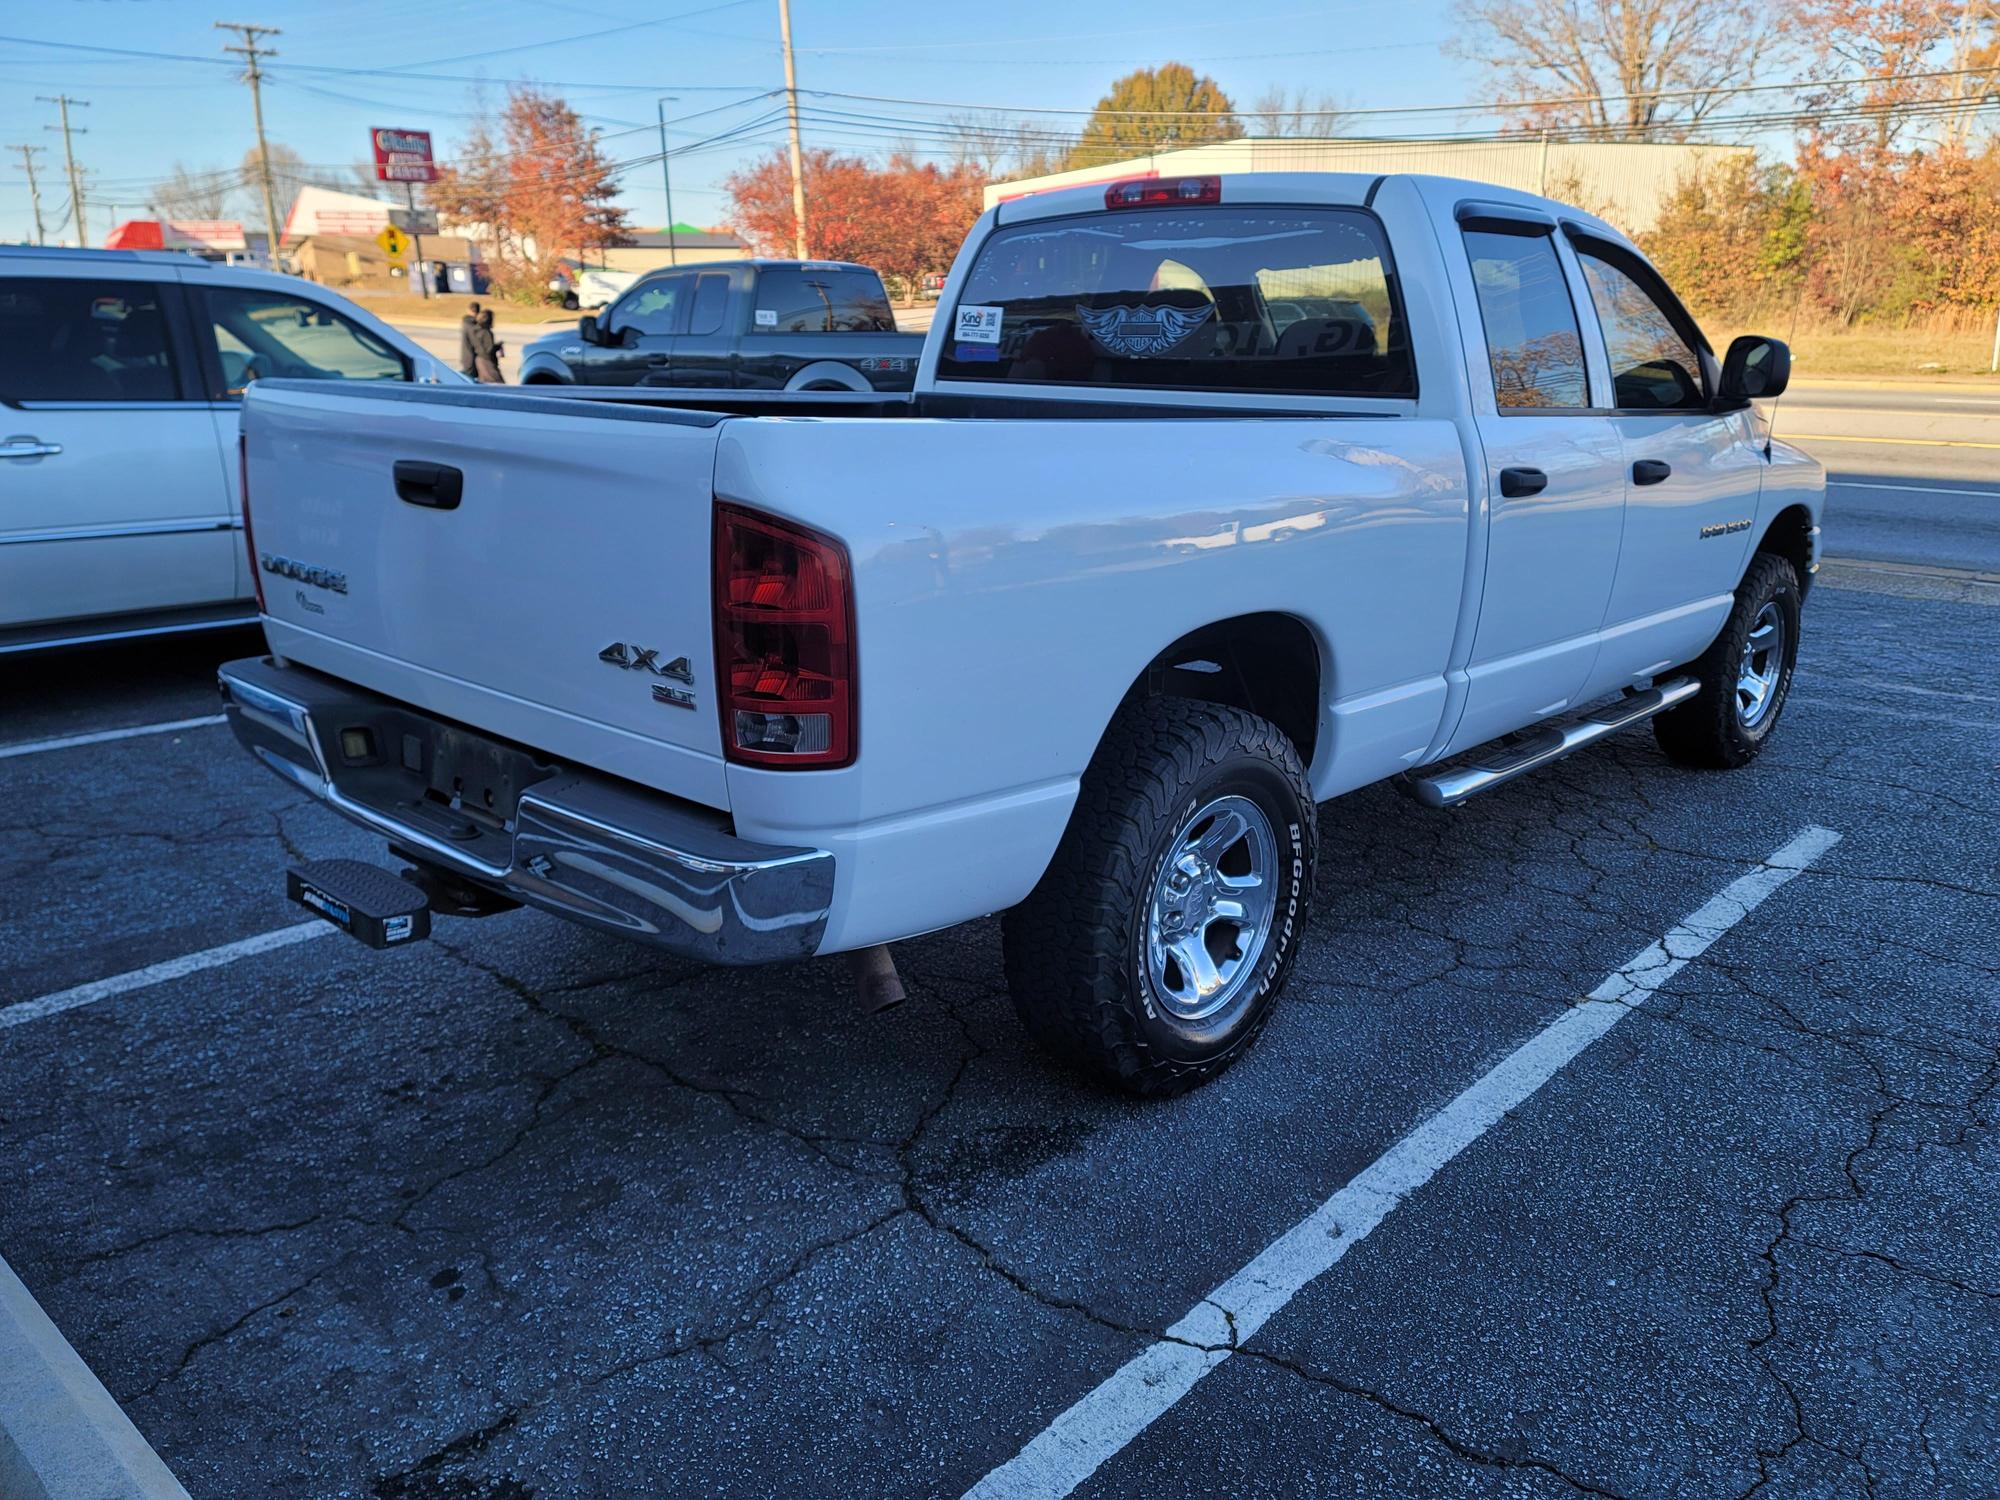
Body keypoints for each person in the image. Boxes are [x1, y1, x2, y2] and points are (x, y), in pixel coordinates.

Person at [471, 308, 505, 384]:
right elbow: (489, 350)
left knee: (484, 383)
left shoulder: (476, 330)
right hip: (487, 361)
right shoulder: (487, 332)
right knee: (498, 383)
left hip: (479, 360)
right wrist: (498, 346)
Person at [457, 300, 481, 378]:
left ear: (468, 310)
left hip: (466, 356)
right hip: (471, 359)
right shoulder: (472, 325)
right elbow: (476, 344)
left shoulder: (465, 323)